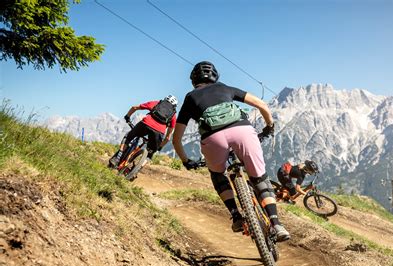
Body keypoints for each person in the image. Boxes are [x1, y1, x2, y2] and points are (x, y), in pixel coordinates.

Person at [172, 61, 290, 242]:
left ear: (193, 80)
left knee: (217, 174)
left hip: (213, 139)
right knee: (260, 178)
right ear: (215, 76)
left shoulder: (190, 97)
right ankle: (276, 224)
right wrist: (269, 127)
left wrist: (186, 160)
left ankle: (235, 216)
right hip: (242, 131)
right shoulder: (225, 88)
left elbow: (177, 138)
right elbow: (261, 105)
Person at [109, 95, 178, 168]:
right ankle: (136, 169)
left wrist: (127, 116)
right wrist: (159, 147)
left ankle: (117, 158)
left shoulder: (156, 103)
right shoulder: (173, 116)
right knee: (149, 155)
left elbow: (134, 107)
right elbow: (168, 137)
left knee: (128, 138)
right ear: (174, 106)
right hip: (158, 132)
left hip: (145, 124)